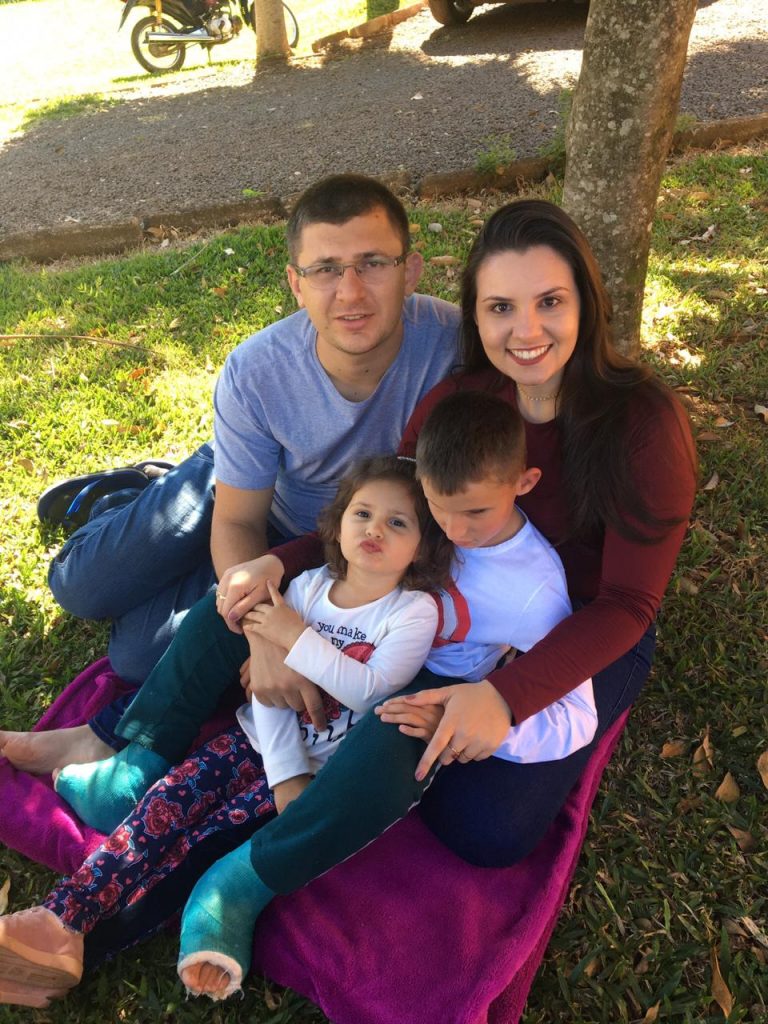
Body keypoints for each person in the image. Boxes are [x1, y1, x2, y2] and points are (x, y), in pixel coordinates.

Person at [152, 196, 695, 997]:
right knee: (265, 615)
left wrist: (504, 698)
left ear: (587, 299)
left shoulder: (643, 425)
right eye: (501, 306)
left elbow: (628, 606)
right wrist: (282, 559)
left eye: (550, 301)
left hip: (580, 628)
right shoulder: (460, 404)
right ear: (473, 314)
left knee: (485, 828)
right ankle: (179, 800)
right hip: (445, 593)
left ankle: (272, 846)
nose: (527, 330)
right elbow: (392, 511)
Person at [0, 389, 599, 1005]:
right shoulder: (341, 567)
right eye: (440, 510)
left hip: (381, 713)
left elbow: (573, 713)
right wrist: (273, 624)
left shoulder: (520, 588)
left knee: (242, 817)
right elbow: (349, 539)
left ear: (523, 484)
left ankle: (158, 911)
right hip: (274, 724)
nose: (455, 532)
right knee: (227, 612)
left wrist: (495, 713)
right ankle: (129, 769)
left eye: (469, 514)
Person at [0, 173, 459, 775]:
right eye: (325, 268)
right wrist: (266, 638)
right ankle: (121, 499)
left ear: (412, 270)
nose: (350, 291)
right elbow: (239, 518)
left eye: (373, 262)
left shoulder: (454, 344)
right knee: (77, 587)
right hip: (240, 492)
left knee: (136, 657)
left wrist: (268, 624)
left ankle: (165, 556)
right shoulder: (258, 369)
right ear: (295, 283)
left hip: (311, 544)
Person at [0, 455, 451, 1007]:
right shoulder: (306, 587)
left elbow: (369, 692)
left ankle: (88, 943)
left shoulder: (412, 612)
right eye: (363, 513)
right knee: (161, 808)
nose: (375, 529)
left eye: (398, 522)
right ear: (336, 525)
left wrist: (293, 637)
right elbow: (265, 690)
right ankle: (59, 915)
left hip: (317, 771)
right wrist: (282, 764)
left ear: (424, 545)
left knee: (203, 842)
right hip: (256, 743)